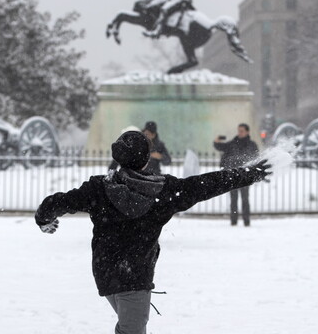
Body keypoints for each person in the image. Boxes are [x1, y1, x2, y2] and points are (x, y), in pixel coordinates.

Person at [35, 131, 271, 334]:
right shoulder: (164, 191)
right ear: (146, 159)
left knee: (131, 326)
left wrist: (44, 218)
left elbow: (59, 202)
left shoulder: (99, 188)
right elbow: (206, 184)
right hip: (135, 276)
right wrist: (250, 173)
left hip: (106, 273)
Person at [213, 123, 259, 226]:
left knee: (245, 198)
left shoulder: (252, 145)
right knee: (233, 199)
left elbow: (256, 158)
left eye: (242, 131)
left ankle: (246, 221)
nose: (239, 133)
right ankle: (234, 221)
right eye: (239, 131)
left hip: (246, 175)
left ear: (247, 132)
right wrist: (216, 141)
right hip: (233, 174)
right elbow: (220, 146)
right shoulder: (233, 143)